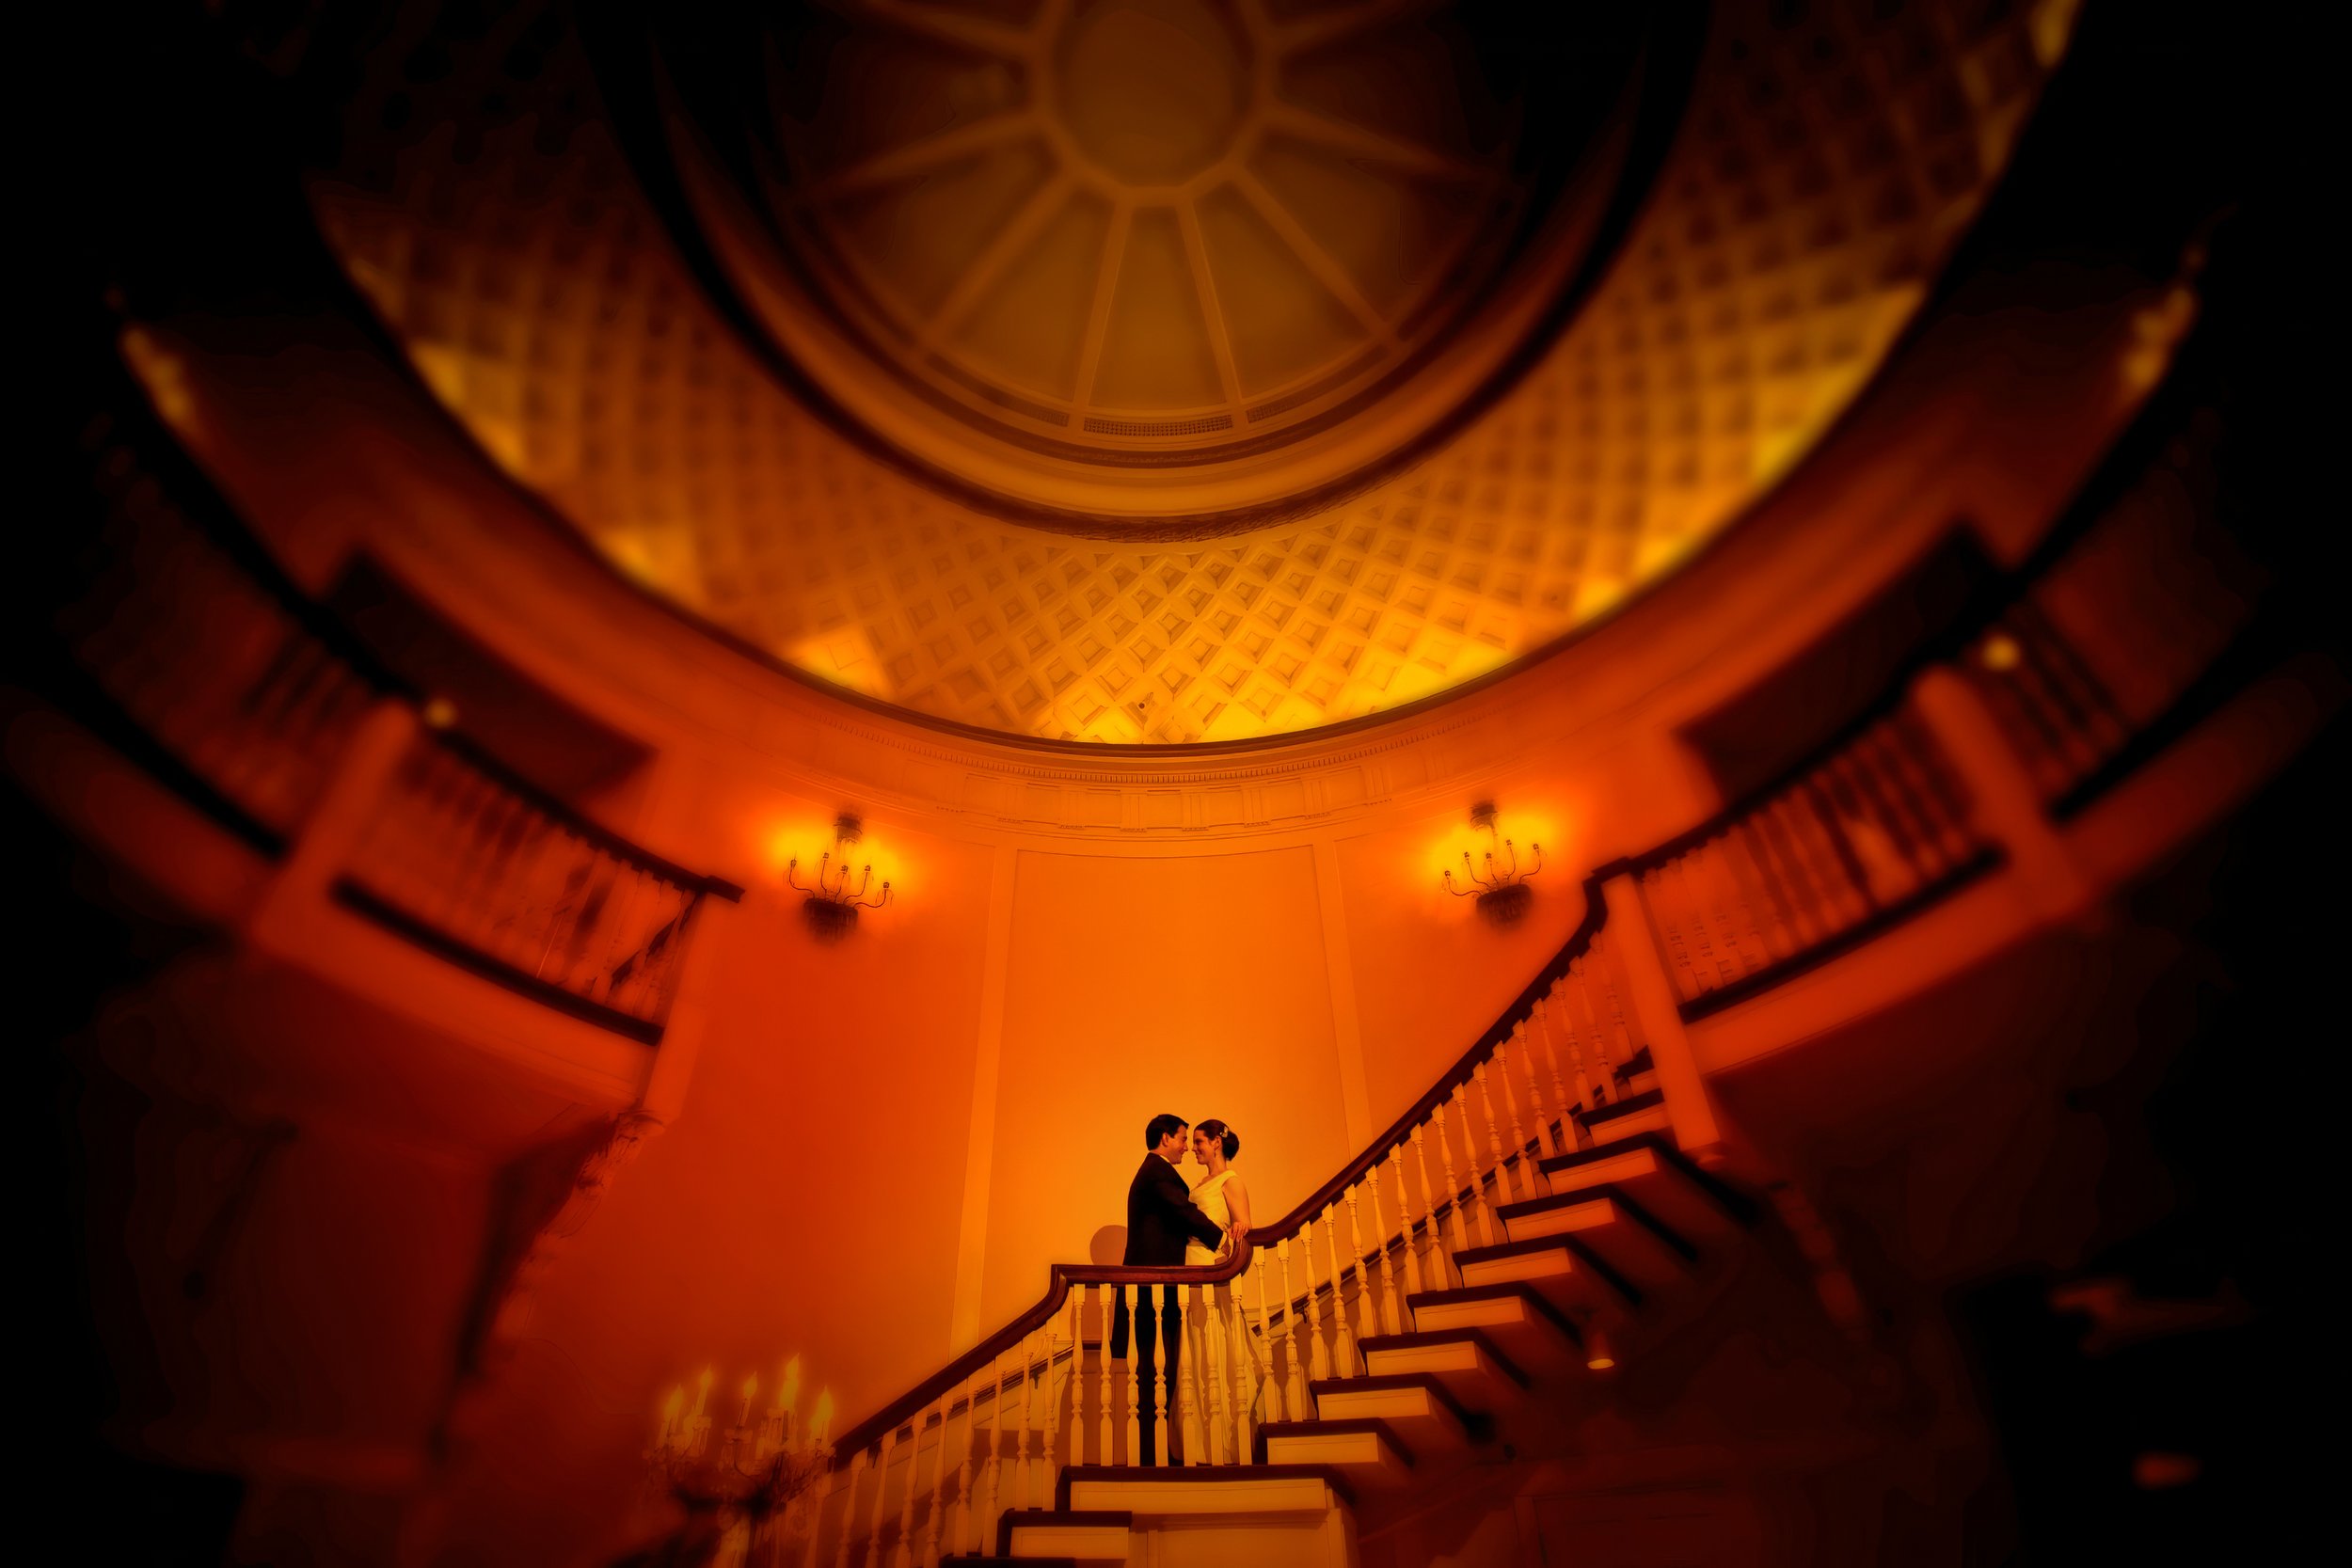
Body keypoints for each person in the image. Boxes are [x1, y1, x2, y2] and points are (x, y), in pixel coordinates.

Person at [1109, 1113, 1227, 1465]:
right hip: (1152, 1293)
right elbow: (1183, 1212)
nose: (1185, 1146)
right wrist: (1222, 1239)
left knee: (1159, 1372)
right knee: (1155, 1373)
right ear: (1165, 1139)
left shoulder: (1153, 1172)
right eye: (1181, 1138)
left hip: (1155, 1293)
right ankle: (1153, 1457)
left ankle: (1158, 1452)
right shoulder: (1158, 1172)